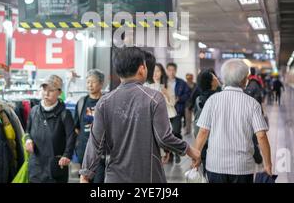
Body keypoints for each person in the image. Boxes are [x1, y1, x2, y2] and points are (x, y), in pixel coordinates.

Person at [79, 47, 200, 183]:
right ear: (142, 68)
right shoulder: (154, 98)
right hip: (148, 176)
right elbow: (164, 138)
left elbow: (96, 142)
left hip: (115, 177)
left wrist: (86, 173)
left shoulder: (104, 102)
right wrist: (189, 150)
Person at [192, 59, 272, 184]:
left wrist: (195, 157)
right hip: (242, 167)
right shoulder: (252, 103)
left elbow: (202, 132)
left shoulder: (212, 101)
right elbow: (261, 136)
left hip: (215, 165)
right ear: (244, 80)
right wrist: (268, 164)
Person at [25, 75, 76, 183]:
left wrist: (67, 155)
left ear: (59, 92)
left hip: (55, 168)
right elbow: (27, 132)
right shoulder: (34, 111)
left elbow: (71, 137)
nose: (46, 93)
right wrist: (28, 140)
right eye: (44, 89)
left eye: (51, 90)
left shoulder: (64, 114)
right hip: (35, 169)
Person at [74, 69, 106, 183]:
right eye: (88, 82)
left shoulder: (106, 102)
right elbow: (77, 128)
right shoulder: (82, 102)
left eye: (93, 82)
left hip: (101, 153)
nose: (90, 85)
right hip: (84, 152)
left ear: (101, 83)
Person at [192, 68, 221, 175]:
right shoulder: (219, 98)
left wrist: (196, 149)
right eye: (214, 77)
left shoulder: (199, 99)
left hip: (203, 142)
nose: (217, 78)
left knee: (206, 171)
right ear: (211, 82)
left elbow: (197, 123)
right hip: (217, 141)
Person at [166, 62, 191, 163]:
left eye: (173, 70)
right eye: (169, 70)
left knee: (176, 132)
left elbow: (188, 94)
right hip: (165, 112)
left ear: (175, 71)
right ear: (167, 71)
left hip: (177, 111)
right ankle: (169, 154)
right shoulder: (163, 82)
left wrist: (179, 98)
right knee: (166, 134)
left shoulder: (181, 83)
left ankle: (177, 151)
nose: (171, 72)